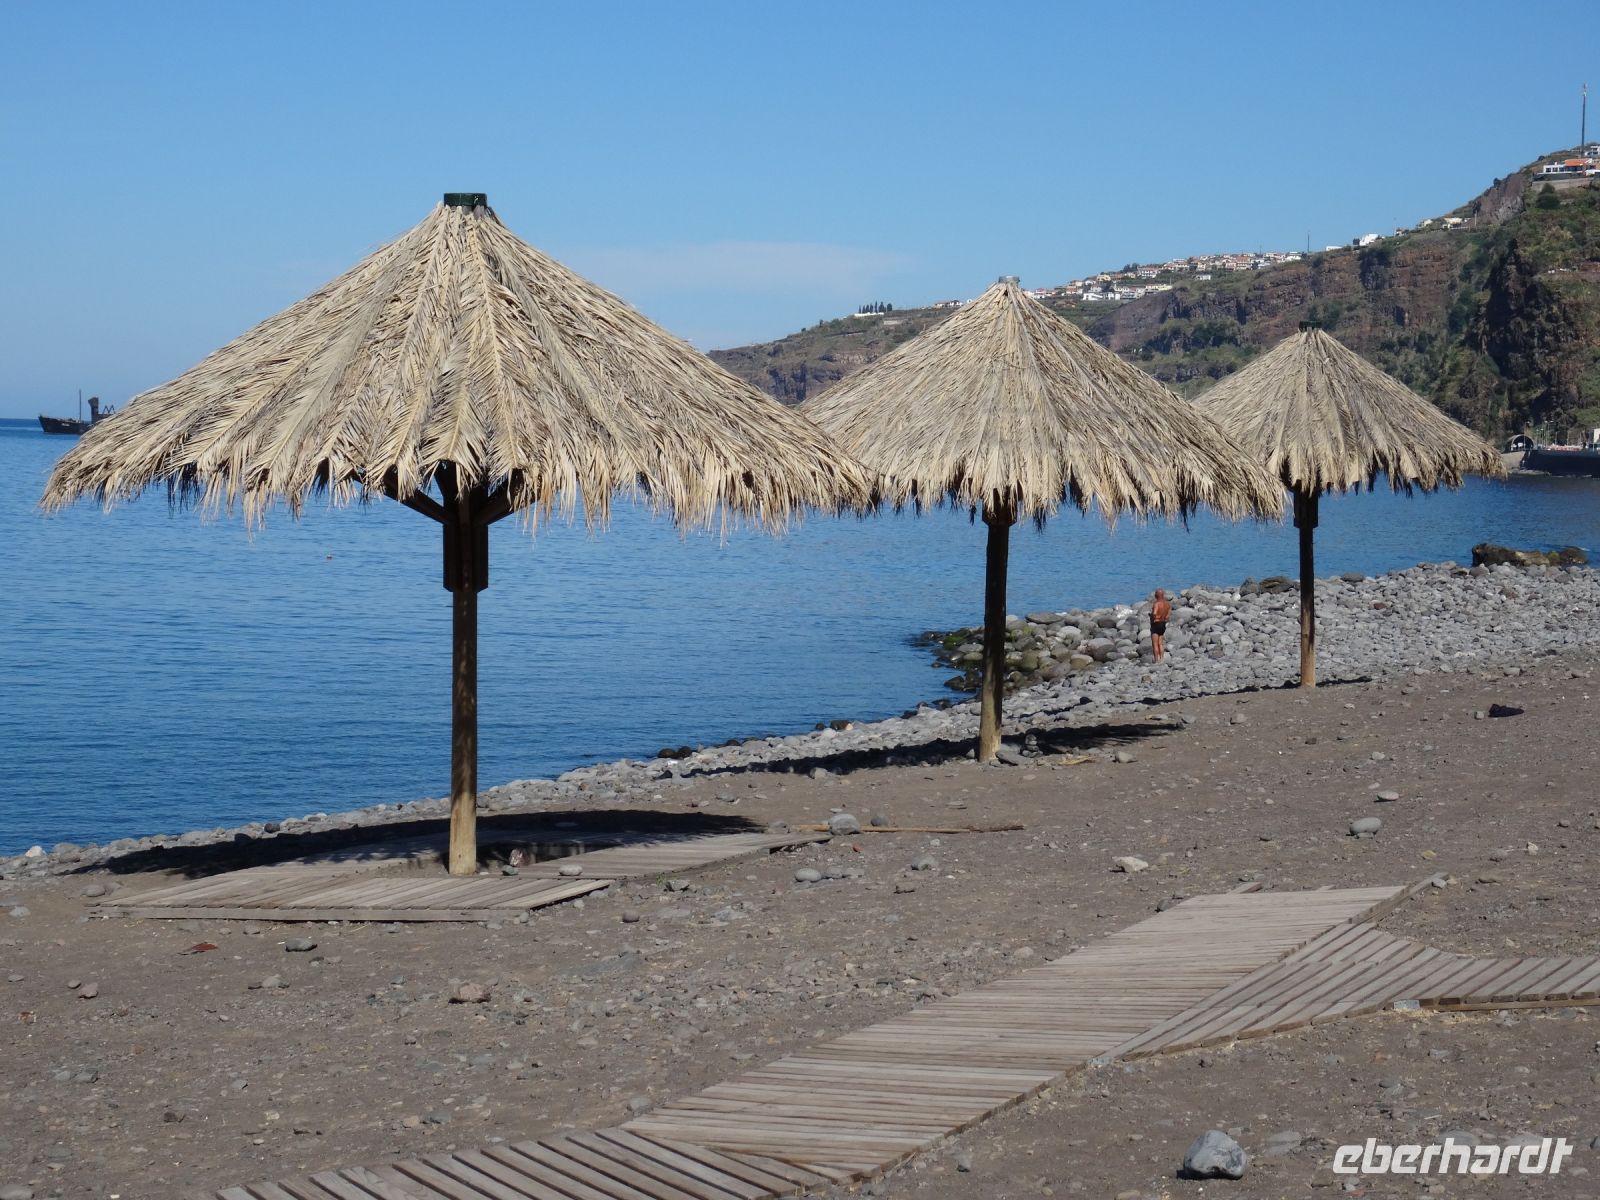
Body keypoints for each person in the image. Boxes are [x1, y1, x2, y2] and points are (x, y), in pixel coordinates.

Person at [1150, 588, 1172, 662]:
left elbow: (1155, 613)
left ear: (1156, 595)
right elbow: (1167, 616)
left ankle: (1156, 660)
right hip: (1163, 624)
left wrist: (1152, 616)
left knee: (1155, 644)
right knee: (1160, 643)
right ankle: (1162, 659)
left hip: (1156, 624)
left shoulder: (1157, 604)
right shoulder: (1167, 604)